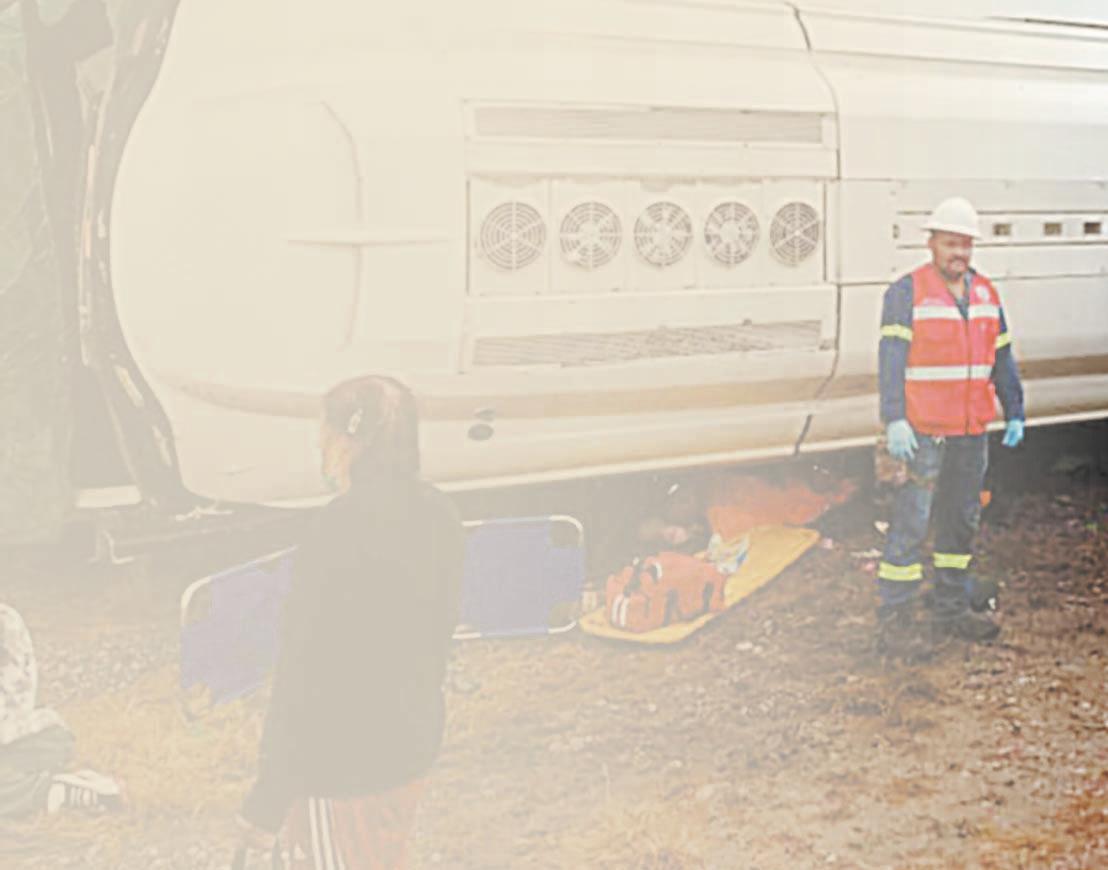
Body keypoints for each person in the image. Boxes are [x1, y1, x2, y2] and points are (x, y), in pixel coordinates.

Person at [236, 375, 465, 869]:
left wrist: (270, 796)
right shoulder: (440, 514)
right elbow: (440, 633)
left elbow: (303, 673)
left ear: (349, 441)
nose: (319, 442)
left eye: (326, 430)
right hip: (411, 745)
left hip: (342, 769)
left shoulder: (336, 530)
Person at [875, 197, 1025, 657]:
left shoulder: (987, 294)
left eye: (965, 244)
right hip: (923, 433)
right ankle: (896, 620)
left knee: (960, 523)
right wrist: (894, 418)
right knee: (911, 522)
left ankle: (951, 610)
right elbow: (891, 360)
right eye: (950, 243)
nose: (959, 252)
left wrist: (1015, 409)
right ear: (932, 243)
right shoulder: (906, 292)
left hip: (970, 433)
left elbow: (1002, 357)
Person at [0, 604, 122, 816]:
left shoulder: (5, 623)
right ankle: (50, 790)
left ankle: (48, 791)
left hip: (24, 739)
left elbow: (12, 707)